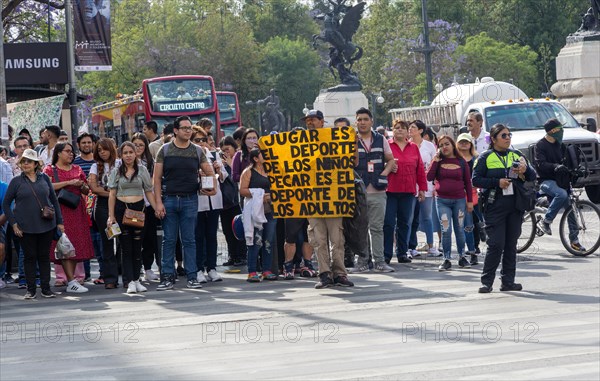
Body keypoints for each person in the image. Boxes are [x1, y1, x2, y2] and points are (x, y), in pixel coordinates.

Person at [153, 115, 216, 291]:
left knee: (189, 240)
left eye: (190, 128)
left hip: (190, 199)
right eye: (185, 128)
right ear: (175, 130)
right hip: (169, 200)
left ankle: (192, 276)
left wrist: (212, 187)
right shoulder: (164, 150)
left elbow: (209, 172)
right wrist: (158, 202)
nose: (188, 131)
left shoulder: (197, 151)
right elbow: (156, 179)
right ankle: (167, 277)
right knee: (169, 240)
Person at [473, 124, 536, 293]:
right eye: (503, 135)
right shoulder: (486, 157)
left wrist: (526, 169)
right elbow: (475, 180)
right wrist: (497, 182)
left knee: (510, 244)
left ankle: (508, 281)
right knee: (496, 244)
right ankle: (487, 282)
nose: (508, 138)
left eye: (509, 135)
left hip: (515, 206)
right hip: (494, 206)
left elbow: (532, 175)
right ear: (493, 139)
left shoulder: (516, 155)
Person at [302, 109, 354, 288]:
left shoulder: (335, 139)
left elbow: (352, 161)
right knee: (318, 239)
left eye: (313, 119)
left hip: (333, 198)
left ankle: (339, 273)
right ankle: (324, 273)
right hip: (312, 199)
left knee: (337, 239)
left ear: (322, 121)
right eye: (307, 120)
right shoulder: (300, 143)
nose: (309, 122)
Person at [3, 149, 64, 299]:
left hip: (46, 224)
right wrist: (14, 224)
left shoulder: (44, 178)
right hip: (24, 227)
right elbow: (6, 204)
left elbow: (54, 201)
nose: (25, 164)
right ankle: (30, 289)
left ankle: (45, 288)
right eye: (23, 161)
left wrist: (60, 222)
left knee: (44, 257)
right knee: (29, 257)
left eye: (29, 161)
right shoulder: (16, 181)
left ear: (36, 164)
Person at [107, 142, 158, 294]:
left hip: (139, 210)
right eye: (125, 153)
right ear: (120, 155)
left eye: (131, 152)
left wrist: (157, 209)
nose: (128, 155)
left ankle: (137, 279)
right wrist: (111, 216)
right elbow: (112, 194)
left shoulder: (142, 170)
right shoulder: (116, 171)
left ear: (136, 153)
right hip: (122, 210)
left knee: (138, 247)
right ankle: (129, 281)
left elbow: (149, 191)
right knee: (125, 248)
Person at [44, 142, 94, 293]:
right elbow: (48, 186)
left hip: (77, 211)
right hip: (60, 212)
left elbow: (86, 191)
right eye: (67, 151)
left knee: (75, 245)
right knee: (64, 245)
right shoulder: (50, 169)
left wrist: (83, 186)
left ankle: (73, 280)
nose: (71, 154)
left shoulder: (78, 169)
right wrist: (69, 182)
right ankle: (70, 280)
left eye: (72, 152)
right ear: (58, 153)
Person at [352, 107, 395, 273]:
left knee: (377, 228)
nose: (362, 122)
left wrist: (383, 174)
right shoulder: (351, 140)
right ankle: (363, 261)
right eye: (359, 119)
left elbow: (391, 160)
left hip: (377, 191)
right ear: (356, 122)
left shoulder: (381, 139)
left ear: (371, 121)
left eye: (365, 119)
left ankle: (379, 261)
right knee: (360, 228)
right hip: (358, 191)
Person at [534, 118, 584, 251]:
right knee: (561, 194)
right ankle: (546, 221)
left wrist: (577, 170)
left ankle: (574, 240)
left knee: (571, 206)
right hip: (545, 181)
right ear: (552, 131)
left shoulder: (560, 145)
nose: (562, 131)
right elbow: (541, 164)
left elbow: (567, 164)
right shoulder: (540, 145)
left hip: (560, 180)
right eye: (559, 129)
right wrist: (555, 166)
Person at [427, 135, 473, 271]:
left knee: (459, 229)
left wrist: (469, 201)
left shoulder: (461, 162)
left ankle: (462, 257)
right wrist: (435, 161)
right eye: (441, 145)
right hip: (442, 201)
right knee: (446, 230)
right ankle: (446, 259)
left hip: (459, 201)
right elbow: (429, 177)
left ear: (453, 145)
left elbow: (468, 184)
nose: (444, 147)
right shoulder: (438, 161)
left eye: (447, 144)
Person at [384, 119, 426, 265]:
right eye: (396, 128)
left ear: (407, 131)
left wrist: (422, 188)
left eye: (402, 128)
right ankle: (386, 254)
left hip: (408, 191)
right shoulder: (387, 145)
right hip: (389, 190)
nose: (399, 130)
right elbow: (380, 165)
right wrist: (387, 165)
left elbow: (420, 168)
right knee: (388, 223)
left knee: (405, 223)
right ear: (392, 130)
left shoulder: (413, 147)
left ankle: (402, 252)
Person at [192, 127, 225, 283]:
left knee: (212, 235)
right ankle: (198, 269)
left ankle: (211, 268)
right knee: (198, 236)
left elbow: (224, 176)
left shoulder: (213, 155)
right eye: (197, 140)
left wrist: (218, 170)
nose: (201, 143)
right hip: (198, 202)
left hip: (214, 200)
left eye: (203, 140)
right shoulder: (190, 157)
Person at [239, 148, 278, 282]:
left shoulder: (271, 170)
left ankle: (266, 270)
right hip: (255, 211)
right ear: (255, 158)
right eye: (263, 154)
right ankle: (252, 271)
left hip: (270, 210)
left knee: (268, 240)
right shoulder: (248, 172)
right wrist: (260, 194)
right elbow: (242, 190)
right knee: (255, 241)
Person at [89, 138, 120, 289]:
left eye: (105, 149)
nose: (102, 153)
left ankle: (128, 276)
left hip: (121, 205)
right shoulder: (95, 166)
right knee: (107, 242)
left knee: (124, 241)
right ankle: (110, 279)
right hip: (102, 207)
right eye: (99, 150)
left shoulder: (120, 163)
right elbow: (94, 188)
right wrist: (113, 194)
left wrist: (113, 195)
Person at [74, 133, 102, 283]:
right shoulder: (75, 162)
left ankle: (104, 272)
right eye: (83, 143)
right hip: (81, 206)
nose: (86, 145)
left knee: (99, 240)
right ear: (78, 145)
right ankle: (84, 274)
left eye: (89, 142)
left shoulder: (98, 161)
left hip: (99, 204)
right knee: (85, 239)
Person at [131, 133, 160, 281]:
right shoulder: (126, 162)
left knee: (150, 237)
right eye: (135, 145)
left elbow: (153, 184)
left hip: (149, 205)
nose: (138, 148)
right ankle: (136, 269)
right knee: (137, 237)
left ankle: (148, 268)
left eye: (141, 145)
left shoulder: (150, 162)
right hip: (134, 206)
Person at [408, 120, 438, 257]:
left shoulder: (429, 146)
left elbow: (435, 165)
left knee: (427, 216)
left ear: (421, 130)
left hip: (427, 185)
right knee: (410, 217)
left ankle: (431, 246)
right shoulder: (407, 145)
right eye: (410, 127)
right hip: (410, 186)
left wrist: (436, 184)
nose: (410, 129)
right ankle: (410, 247)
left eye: (413, 127)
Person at [218, 136, 246, 267]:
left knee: (238, 229)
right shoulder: (221, 163)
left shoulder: (240, 160)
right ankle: (232, 255)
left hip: (236, 202)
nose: (226, 153)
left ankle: (241, 255)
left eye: (228, 149)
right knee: (227, 231)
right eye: (223, 150)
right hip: (224, 203)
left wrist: (230, 164)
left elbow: (238, 180)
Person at [456, 133, 482, 265]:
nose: (464, 144)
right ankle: (468, 250)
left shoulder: (476, 158)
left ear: (471, 144)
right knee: (465, 225)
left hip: (475, 195)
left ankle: (474, 248)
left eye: (466, 142)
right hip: (460, 196)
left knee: (476, 223)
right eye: (461, 142)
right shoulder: (455, 159)